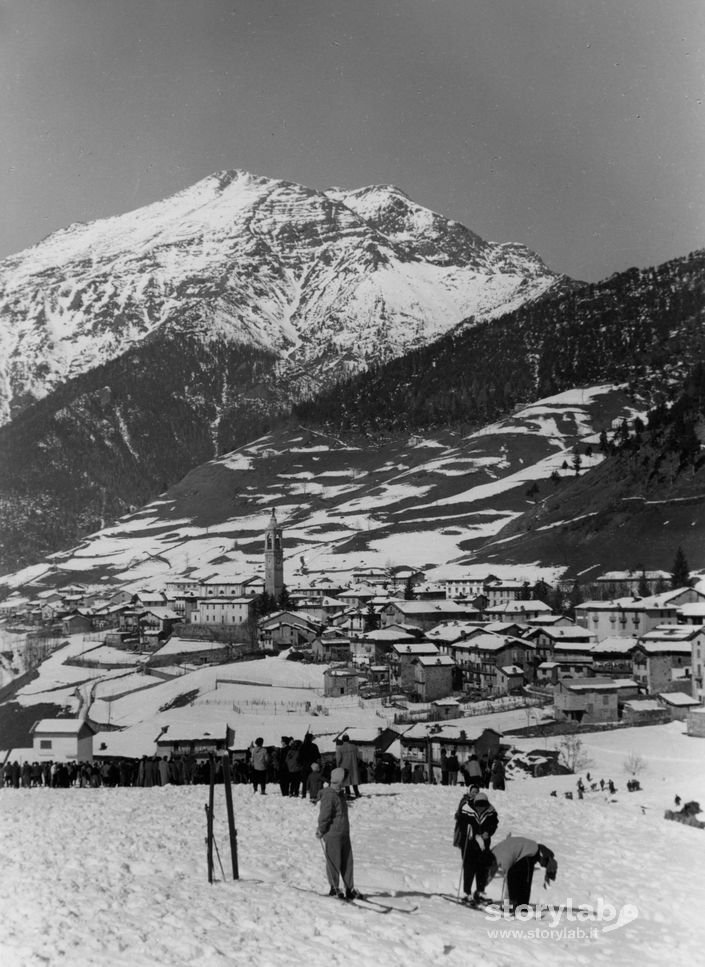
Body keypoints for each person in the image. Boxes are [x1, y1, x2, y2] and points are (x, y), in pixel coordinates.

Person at [316, 767, 361, 899]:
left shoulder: (340, 794)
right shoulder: (329, 795)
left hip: (344, 833)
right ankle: (334, 887)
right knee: (334, 861)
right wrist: (321, 829)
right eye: (344, 779)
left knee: (347, 862)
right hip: (333, 834)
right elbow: (325, 815)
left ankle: (349, 888)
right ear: (338, 780)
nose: (346, 781)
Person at [486, 834, 557, 911]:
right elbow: (490, 874)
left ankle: (519, 906)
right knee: (520, 876)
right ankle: (520, 905)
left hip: (530, 851)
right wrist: (480, 891)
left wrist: (506, 904)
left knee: (518, 877)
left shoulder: (504, 859)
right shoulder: (494, 853)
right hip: (525, 850)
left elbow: (508, 880)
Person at [454, 789, 499, 904]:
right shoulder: (466, 808)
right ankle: (466, 893)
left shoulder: (490, 810)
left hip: (483, 843)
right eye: (478, 806)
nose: (480, 809)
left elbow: (494, 823)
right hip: (468, 842)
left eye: (483, 807)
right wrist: (469, 831)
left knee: (482, 867)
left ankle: (479, 892)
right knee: (469, 867)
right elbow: (460, 822)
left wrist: (488, 832)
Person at [336, 734, 361, 799]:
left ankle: (348, 793)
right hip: (353, 765)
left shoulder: (340, 748)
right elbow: (358, 756)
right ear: (348, 739)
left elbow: (339, 758)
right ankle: (357, 793)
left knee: (346, 780)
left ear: (342, 740)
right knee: (354, 779)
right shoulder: (354, 747)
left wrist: (338, 765)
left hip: (344, 766)